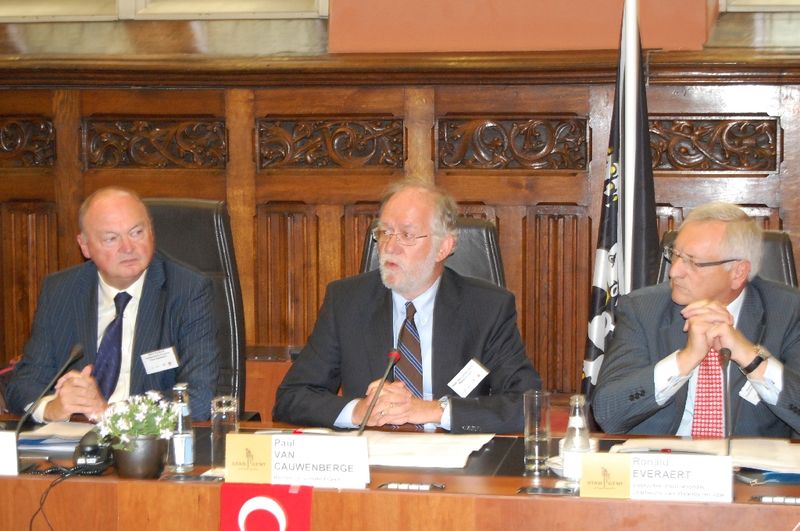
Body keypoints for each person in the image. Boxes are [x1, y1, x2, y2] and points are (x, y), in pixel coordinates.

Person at [273, 179, 540, 433]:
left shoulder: (487, 308)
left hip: (456, 457)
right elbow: (292, 397)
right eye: (384, 232)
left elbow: (527, 403)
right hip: (371, 457)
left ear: (443, 247)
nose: (390, 246)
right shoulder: (346, 302)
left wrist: (433, 410)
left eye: (407, 235)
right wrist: (358, 411)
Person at [5, 187, 218, 421]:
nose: (128, 248)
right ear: (85, 246)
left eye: (136, 232)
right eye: (111, 238)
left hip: (146, 439)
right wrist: (52, 408)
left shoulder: (187, 291)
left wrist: (109, 412)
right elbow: (24, 384)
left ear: (151, 231)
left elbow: (199, 398)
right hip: (74, 436)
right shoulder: (60, 291)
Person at [592, 202, 800, 437]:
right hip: (664, 456)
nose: (674, 271)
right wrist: (686, 359)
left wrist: (750, 358)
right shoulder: (642, 310)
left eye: (693, 262)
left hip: (750, 460)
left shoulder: (789, 312)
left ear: (738, 272)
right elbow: (607, 414)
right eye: (675, 255)